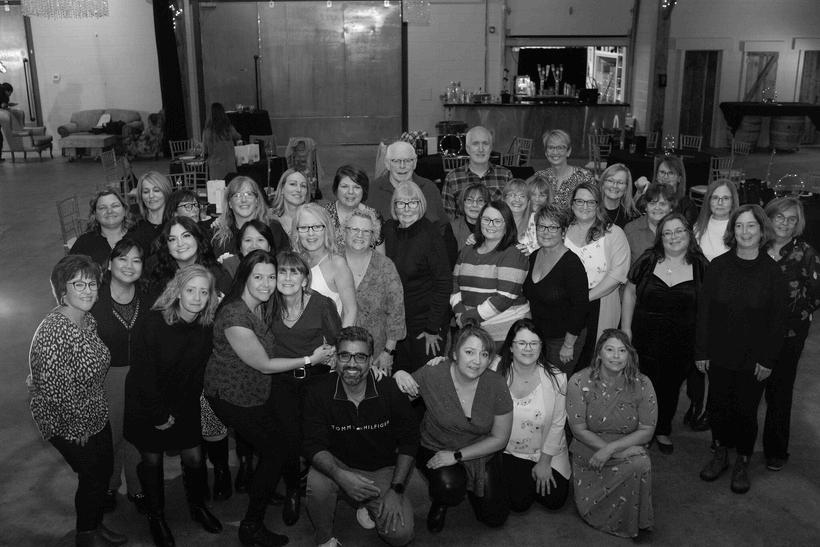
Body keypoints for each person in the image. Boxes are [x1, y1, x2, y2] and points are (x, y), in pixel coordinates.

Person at [204, 250, 335, 547]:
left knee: (278, 446)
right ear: (244, 278)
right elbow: (263, 364)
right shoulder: (235, 315)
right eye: (258, 277)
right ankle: (251, 526)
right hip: (232, 396)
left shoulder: (259, 305)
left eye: (271, 277)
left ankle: (263, 493)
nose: (266, 283)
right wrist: (310, 359)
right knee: (276, 450)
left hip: (253, 393)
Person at [27, 255, 127, 547]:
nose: (87, 290)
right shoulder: (55, 329)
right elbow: (55, 390)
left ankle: (94, 524)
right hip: (66, 419)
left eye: (92, 284)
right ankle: (86, 535)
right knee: (92, 476)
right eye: (78, 284)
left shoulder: (87, 319)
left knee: (102, 472)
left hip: (94, 408)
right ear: (63, 290)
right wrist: (77, 425)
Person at [124, 265, 223, 546]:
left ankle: (198, 506)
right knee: (152, 460)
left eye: (203, 292)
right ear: (178, 291)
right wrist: (158, 414)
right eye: (190, 290)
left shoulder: (206, 326)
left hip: (184, 401)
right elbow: (143, 373)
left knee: (194, 457)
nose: (197, 297)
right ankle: (156, 517)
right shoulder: (153, 323)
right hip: (147, 402)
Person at [696, 205, 787, 494]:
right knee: (719, 406)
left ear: (762, 231)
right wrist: (701, 351)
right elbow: (704, 312)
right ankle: (720, 452)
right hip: (719, 354)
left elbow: (778, 321)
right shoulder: (718, 267)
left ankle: (743, 460)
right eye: (739, 226)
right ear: (732, 231)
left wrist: (768, 359)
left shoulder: (773, 273)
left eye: (751, 226)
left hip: (754, 359)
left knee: (746, 411)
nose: (745, 232)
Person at [303, 326, 419, 547]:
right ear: (335, 359)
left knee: (401, 535)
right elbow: (312, 444)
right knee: (317, 484)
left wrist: (396, 490)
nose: (352, 364)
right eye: (345, 356)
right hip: (336, 465)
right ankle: (324, 539)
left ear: (371, 360)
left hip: (380, 470)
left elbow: (409, 440)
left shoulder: (389, 390)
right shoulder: (318, 391)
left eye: (360, 357)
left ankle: (366, 503)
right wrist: (340, 475)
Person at [393, 325, 513, 533]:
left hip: (479, 450)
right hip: (435, 445)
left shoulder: (496, 384)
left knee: (495, 517)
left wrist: (457, 456)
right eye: (469, 352)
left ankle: (471, 484)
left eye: (484, 354)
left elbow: (500, 438)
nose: (477, 361)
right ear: (455, 354)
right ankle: (441, 501)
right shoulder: (433, 374)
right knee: (449, 486)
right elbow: (395, 401)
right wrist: (399, 374)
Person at [621, 213, 709, 454]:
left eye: (679, 231)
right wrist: (626, 328)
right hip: (644, 338)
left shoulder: (702, 266)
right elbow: (630, 292)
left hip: (682, 342)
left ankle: (662, 429)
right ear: (660, 237)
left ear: (689, 234)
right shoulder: (648, 259)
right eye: (667, 232)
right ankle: (638, 430)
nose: (674, 237)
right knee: (640, 386)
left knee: (669, 389)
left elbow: (708, 309)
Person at [268, 250, 343, 526]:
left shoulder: (321, 303)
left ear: (304, 279)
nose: (288, 278)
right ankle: (292, 489)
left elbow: (337, 340)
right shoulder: (267, 305)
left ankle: (316, 485)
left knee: (314, 436)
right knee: (287, 437)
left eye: (294, 272)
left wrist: (331, 354)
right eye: (282, 272)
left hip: (316, 379)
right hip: (281, 379)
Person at [566, 329, 657, 539]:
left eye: (622, 350)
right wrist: (611, 452)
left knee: (640, 462)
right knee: (637, 460)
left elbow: (647, 430)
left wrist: (612, 450)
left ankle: (634, 521)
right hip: (590, 450)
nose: (616, 356)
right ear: (599, 353)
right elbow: (578, 430)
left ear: (629, 355)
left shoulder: (643, 384)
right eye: (609, 350)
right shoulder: (579, 382)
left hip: (625, 446)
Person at [90, 239, 148, 514]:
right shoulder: (94, 298)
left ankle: (138, 488)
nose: (129, 265)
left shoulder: (147, 296)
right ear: (110, 264)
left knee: (137, 435)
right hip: (107, 377)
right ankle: (109, 486)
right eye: (122, 259)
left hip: (140, 374)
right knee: (110, 437)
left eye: (136, 260)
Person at [763, 197, 820, 471]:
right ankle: (737, 446)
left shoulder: (806, 252)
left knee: (780, 392)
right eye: (779, 217)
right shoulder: (754, 246)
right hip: (751, 332)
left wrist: (794, 316)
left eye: (791, 219)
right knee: (746, 392)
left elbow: (816, 294)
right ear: (769, 217)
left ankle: (775, 450)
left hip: (789, 335)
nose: (785, 223)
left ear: (798, 223)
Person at [495, 320, 570, 512]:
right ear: (511, 347)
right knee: (519, 503)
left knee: (555, 500)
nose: (528, 348)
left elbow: (558, 424)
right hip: (510, 451)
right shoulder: (496, 371)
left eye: (534, 343)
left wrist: (544, 462)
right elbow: (466, 362)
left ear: (541, 346)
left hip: (545, 451)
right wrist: (439, 361)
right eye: (521, 343)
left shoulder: (557, 378)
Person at [383, 181, 452, 372]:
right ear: (394, 206)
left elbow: (444, 282)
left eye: (412, 203)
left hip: (426, 324)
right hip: (397, 323)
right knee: (398, 377)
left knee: (425, 376)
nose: (406, 209)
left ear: (421, 204)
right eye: (401, 203)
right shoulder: (388, 230)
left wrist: (432, 328)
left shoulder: (430, 234)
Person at [564, 183, 630, 367]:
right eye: (579, 201)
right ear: (572, 204)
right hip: (566, 303)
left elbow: (618, 274)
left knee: (594, 360)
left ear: (598, 205)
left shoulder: (613, 233)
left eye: (590, 202)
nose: (584, 206)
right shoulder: (563, 230)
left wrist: (583, 299)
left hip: (600, 302)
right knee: (565, 359)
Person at [452, 200, 530, 345]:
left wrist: (467, 317)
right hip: (471, 331)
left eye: (497, 221)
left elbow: (504, 298)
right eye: (486, 219)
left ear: (507, 225)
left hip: (505, 335)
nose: (491, 225)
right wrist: (459, 312)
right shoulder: (467, 250)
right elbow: (454, 285)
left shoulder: (514, 253)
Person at [523, 205, 589, 374]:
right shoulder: (533, 256)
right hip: (539, 337)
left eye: (553, 227)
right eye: (542, 226)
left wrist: (568, 345)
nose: (546, 232)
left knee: (555, 384)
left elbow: (580, 308)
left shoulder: (572, 264)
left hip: (563, 340)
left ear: (563, 231)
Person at [343, 209, 406, 373]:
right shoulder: (332, 261)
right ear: (344, 231)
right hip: (337, 353)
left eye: (366, 231)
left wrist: (388, 352)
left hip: (376, 354)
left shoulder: (385, 266)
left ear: (374, 236)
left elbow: (396, 312)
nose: (360, 235)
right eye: (354, 229)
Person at [291, 203, 357, 326]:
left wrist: (341, 339)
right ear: (297, 231)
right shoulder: (294, 262)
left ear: (327, 229)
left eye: (317, 226)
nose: (311, 233)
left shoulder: (337, 264)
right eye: (304, 227)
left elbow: (350, 311)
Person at [145, 215, 232, 303]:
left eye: (186, 236)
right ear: (167, 247)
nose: (180, 243)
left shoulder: (218, 275)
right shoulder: (158, 275)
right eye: (172, 239)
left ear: (197, 239)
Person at [368, 140, 448, 228]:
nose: (402, 166)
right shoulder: (373, 190)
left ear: (415, 163)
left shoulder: (430, 188)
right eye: (396, 161)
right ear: (387, 164)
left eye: (407, 160)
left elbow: (443, 227)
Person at [442, 126, 513, 218]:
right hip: (463, 228)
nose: (481, 149)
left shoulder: (505, 175)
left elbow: (510, 214)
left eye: (485, 144)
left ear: (491, 148)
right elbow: (448, 218)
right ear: (467, 148)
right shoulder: (453, 178)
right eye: (475, 144)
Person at [210, 175, 290, 258]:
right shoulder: (219, 235)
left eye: (249, 194)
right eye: (237, 195)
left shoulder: (273, 228)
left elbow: (285, 261)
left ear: (257, 200)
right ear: (230, 203)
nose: (244, 200)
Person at [323, 164, 384, 250]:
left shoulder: (374, 216)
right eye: (344, 186)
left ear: (364, 190)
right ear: (336, 189)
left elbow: (380, 255)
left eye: (356, 187)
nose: (351, 192)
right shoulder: (323, 214)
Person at [531, 129, 594, 210]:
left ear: (568, 151)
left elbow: (593, 207)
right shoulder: (539, 177)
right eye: (551, 147)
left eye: (560, 147)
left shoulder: (584, 177)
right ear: (546, 152)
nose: (555, 152)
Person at [71, 190, 135, 268]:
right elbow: (66, 271)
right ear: (95, 214)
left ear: (124, 210)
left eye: (115, 206)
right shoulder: (83, 243)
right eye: (102, 208)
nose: (109, 211)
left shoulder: (140, 236)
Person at [635, 156, 698, 225]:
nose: (665, 177)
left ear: (679, 178)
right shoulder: (647, 198)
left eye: (671, 173)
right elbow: (635, 218)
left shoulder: (687, 205)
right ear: (656, 176)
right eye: (662, 172)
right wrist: (639, 191)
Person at [623, 183, 676, 264]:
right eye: (652, 203)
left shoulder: (680, 231)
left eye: (662, 204)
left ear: (671, 208)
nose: (657, 207)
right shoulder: (631, 230)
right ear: (646, 207)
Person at [127, 171, 173, 256]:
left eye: (156, 190)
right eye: (146, 192)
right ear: (141, 196)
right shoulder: (134, 224)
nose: (151, 196)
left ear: (166, 192)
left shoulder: (176, 223)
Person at [694, 179, 739, 261]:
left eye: (725, 198)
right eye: (715, 198)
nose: (720, 203)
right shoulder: (698, 227)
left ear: (733, 202)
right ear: (708, 201)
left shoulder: (740, 229)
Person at [202, 102, 241, 180]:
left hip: (215, 167)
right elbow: (238, 136)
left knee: (217, 187)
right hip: (230, 165)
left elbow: (205, 151)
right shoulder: (228, 128)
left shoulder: (207, 131)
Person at [450, 183, 490, 254]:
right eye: (469, 200)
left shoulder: (493, 226)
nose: (474, 205)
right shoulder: (452, 228)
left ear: (486, 204)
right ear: (463, 203)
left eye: (480, 200)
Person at [270, 168, 311, 236]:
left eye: (303, 186)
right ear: (282, 189)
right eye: (293, 184)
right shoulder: (268, 217)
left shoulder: (314, 219)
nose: (299, 189)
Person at [503, 178, 539, 254]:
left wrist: (532, 250)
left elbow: (546, 245)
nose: (517, 199)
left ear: (528, 201)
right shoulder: (495, 220)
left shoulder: (537, 220)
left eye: (522, 196)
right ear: (504, 199)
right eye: (512, 195)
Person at [599, 163, 639, 228]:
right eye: (610, 181)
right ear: (603, 183)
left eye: (620, 182)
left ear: (626, 188)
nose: (615, 186)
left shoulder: (632, 216)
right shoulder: (591, 209)